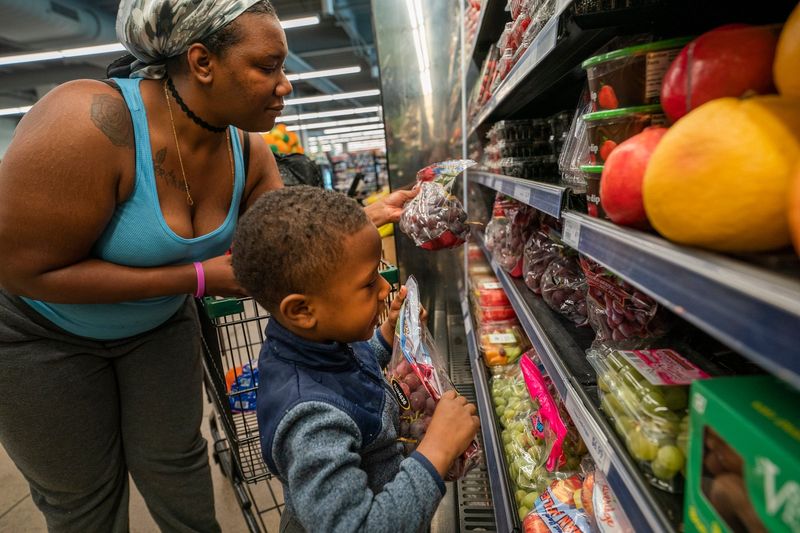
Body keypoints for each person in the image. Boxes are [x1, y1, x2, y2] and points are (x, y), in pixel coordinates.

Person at [0, 1, 415, 531]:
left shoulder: (247, 148)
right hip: (39, 334)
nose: (286, 84)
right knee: (83, 496)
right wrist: (198, 277)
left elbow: (288, 245)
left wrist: (366, 217)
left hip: (155, 326)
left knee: (177, 468)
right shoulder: (89, 122)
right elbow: (22, 271)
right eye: (268, 66)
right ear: (202, 62)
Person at [231, 186, 480, 533]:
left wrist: (386, 337)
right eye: (368, 284)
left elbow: (351, 371)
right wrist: (437, 451)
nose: (384, 289)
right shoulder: (310, 422)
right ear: (302, 310)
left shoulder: (318, 341)